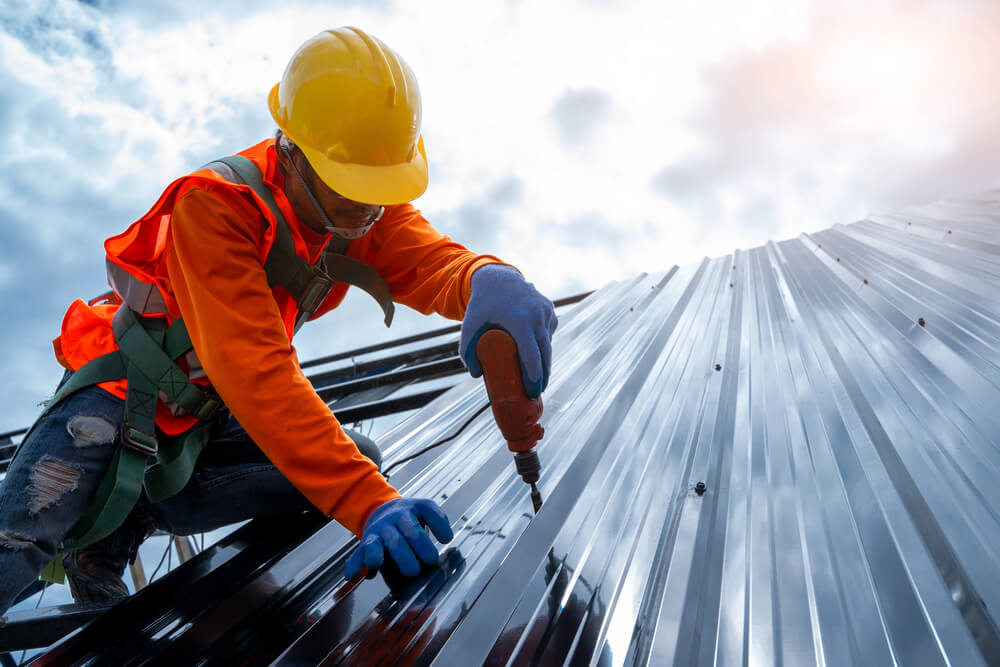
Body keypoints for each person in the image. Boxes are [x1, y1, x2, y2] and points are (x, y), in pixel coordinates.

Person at [0, 26, 557, 613]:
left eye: (380, 188)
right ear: (293, 153)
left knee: (356, 458)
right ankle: (99, 529)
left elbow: (432, 262)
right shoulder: (214, 207)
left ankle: (129, 516)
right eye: (354, 188)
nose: (370, 209)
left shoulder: (360, 210)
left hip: (201, 424)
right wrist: (368, 503)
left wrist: (486, 280)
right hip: (122, 392)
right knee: (17, 538)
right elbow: (258, 376)